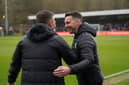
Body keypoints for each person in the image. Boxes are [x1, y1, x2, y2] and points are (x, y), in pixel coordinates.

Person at [7, 10, 77, 85]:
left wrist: (11, 80)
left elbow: (15, 64)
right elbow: (73, 61)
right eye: (54, 20)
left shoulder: (23, 41)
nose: (55, 22)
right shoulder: (57, 40)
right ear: (51, 23)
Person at [53, 11, 104, 85]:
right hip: (86, 78)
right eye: (65, 23)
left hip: (91, 80)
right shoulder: (78, 35)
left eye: (68, 22)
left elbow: (89, 60)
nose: (66, 26)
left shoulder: (85, 37)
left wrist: (70, 69)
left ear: (78, 22)